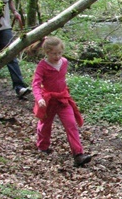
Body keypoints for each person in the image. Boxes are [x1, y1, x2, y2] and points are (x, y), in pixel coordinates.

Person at [32, 37, 92, 167]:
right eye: (53, 53)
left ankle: (78, 154)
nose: (57, 56)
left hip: (63, 99)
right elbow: (36, 84)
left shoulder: (64, 62)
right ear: (46, 53)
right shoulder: (42, 66)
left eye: (59, 53)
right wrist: (39, 98)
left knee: (71, 124)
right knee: (45, 125)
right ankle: (43, 146)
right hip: (48, 100)